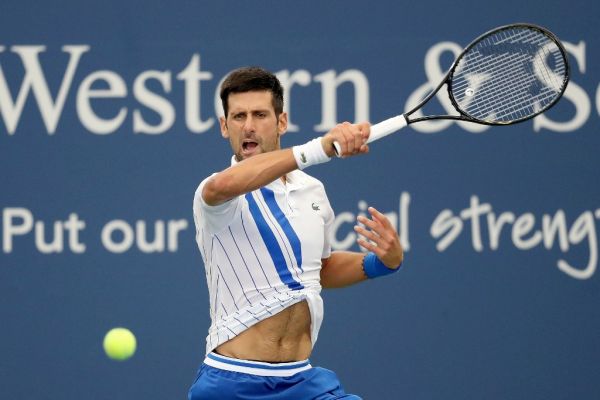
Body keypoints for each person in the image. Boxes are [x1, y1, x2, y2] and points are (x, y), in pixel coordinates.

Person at [189, 66, 403, 400]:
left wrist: (382, 262)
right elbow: (223, 185)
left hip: (302, 383)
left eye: (260, 114)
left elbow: (322, 269)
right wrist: (318, 149)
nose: (248, 125)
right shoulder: (217, 193)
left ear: (281, 122)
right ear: (224, 126)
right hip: (233, 384)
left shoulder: (312, 190)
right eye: (238, 116)